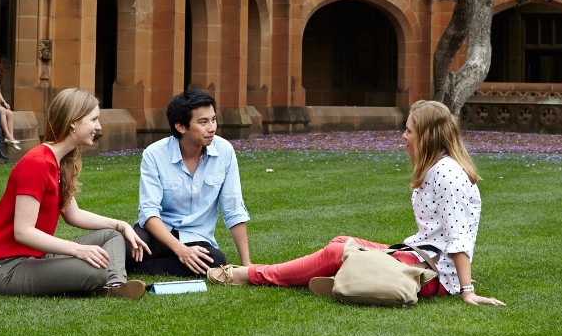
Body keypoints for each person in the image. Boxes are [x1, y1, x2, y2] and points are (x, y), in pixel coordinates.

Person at [207, 99, 505, 306]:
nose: (404, 136)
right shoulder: (437, 167)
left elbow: (459, 238)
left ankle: (254, 274)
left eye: (409, 130)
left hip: (432, 274)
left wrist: (467, 290)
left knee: (337, 251)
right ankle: (348, 276)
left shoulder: (447, 174)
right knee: (342, 241)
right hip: (420, 255)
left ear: (427, 135)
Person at [0, 87, 149, 299]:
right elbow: (23, 232)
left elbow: (73, 214)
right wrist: (77, 250)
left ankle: (115, 285)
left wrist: (120, 224)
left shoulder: (58, 161)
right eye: (93, 119)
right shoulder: (37, 163)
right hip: (6, 267)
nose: (99, 126)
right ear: (74, 122)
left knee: (112, 235)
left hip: (35, 256)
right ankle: (105, 281)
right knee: (94, 270)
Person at [127, 88, 251, 277]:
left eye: (213, 119)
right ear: (181, 127)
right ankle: (143, 262)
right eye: (203, 122)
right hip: (158, 233)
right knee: (126, 247)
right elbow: (149, 212)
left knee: (214, 261)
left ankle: (140, 267)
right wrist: (180, 250)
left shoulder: (224, 151)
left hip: (196, 236)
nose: (212, 128)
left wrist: (246, 264)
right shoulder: (154, 154)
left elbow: (233, 208)